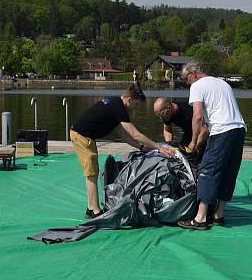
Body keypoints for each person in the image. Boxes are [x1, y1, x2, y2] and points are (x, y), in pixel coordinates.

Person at [70, 82, 174, 218]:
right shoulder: (118, 108)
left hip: (86, 136)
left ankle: (91, 208)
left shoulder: (115, 106)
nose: (135, 108)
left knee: (92, 173)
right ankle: (94, 211)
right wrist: (158, 147)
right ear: (130, 99)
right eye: (136, 104)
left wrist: (142, 148)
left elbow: (124, 135)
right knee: (91, 174)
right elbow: (135, 134)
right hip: (81, 136)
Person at [178, 60, 246, 230]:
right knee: (229, 171)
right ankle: (219, 214)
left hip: (222, 131)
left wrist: (193, 142)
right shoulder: (222, 84)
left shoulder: (198, 86)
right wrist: (200, 142)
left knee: (208, 170)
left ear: (193, 74)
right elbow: (210, 122)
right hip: (239, 129)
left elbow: (198, 116)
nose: (187, 84)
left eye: (187, 79)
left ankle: (200, 218)